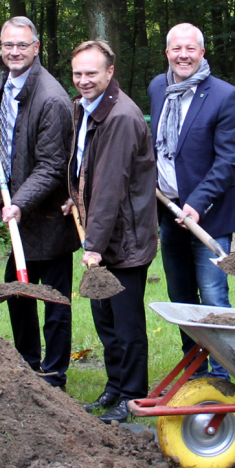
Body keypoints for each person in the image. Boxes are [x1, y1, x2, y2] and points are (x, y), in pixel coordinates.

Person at [64, 39, 158, 423]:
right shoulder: (84, 108)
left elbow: (109, 186)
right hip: (102, 236)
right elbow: (85, 166)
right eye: (78, 74)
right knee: (105, 319)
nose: (83, 81)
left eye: (91, 73)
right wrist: (73, 196)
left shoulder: (120, 116)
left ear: (110, 72)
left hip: (123, 241)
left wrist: (94, 245)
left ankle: (132, 395)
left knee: (126, 322)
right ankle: (115, 386)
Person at [147, 23, 235, 375]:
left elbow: (229, 159)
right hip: (170, 214)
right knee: (182, 300)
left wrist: (199, 201)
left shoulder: (226, 96)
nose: (183, 55)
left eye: (190, 49)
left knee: (214, 299)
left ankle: (225, 378)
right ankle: (196, 373)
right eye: (176, 49)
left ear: (202, 53)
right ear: (168, 53)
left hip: (209, 218)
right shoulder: (159, 87)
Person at [0, 17, 80, 386]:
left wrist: (18, 203)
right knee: (18, 290)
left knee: (54, 300)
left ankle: (54, 373)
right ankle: (26, 363)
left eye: (22, 45)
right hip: (20, 216)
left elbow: (52, 165)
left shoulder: (51, 98)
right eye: (8, 44)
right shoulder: (8, 86)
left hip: (48, 217)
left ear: (36, 48)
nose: (14, 51)